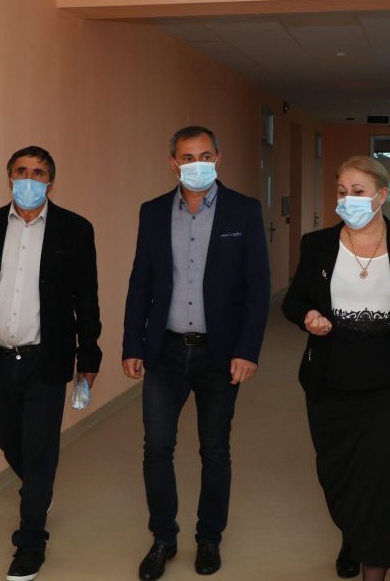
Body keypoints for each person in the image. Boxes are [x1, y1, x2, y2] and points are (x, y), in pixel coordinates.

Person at [0, 146, 102, 581]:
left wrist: (88, 354)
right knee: (8, 436)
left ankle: (30, 541)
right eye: (22, 171)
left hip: (47, 357)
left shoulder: (74, 229)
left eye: (39, 172)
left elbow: (86, 297)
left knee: (39, 447)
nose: (30, 179)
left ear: (51, 181)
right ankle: (38, 488)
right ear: (9, 176)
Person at [281, 156, 390, 581]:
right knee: (338, 474)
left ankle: (375, 566)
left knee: (384, 477)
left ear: (381, 195)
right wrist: (308, 316)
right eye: (341, 191)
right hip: (332, 381)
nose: (347, 199)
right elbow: (294, 300)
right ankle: (353, 535)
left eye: (358, 191)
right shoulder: (317, 244)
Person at [122, 126, 271, 580]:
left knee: (215, 450)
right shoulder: (152, 212)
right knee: (156, 448)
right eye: (187, 157)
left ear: (218, 158)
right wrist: (132, 343)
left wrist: (247, 350)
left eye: (205, 155)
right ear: (173, 163)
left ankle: (209, 538)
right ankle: (163, 538)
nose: (197, 164)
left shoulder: (243, 210)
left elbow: (257, 286)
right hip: (165, 351)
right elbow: (141, 282)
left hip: (219, 354)